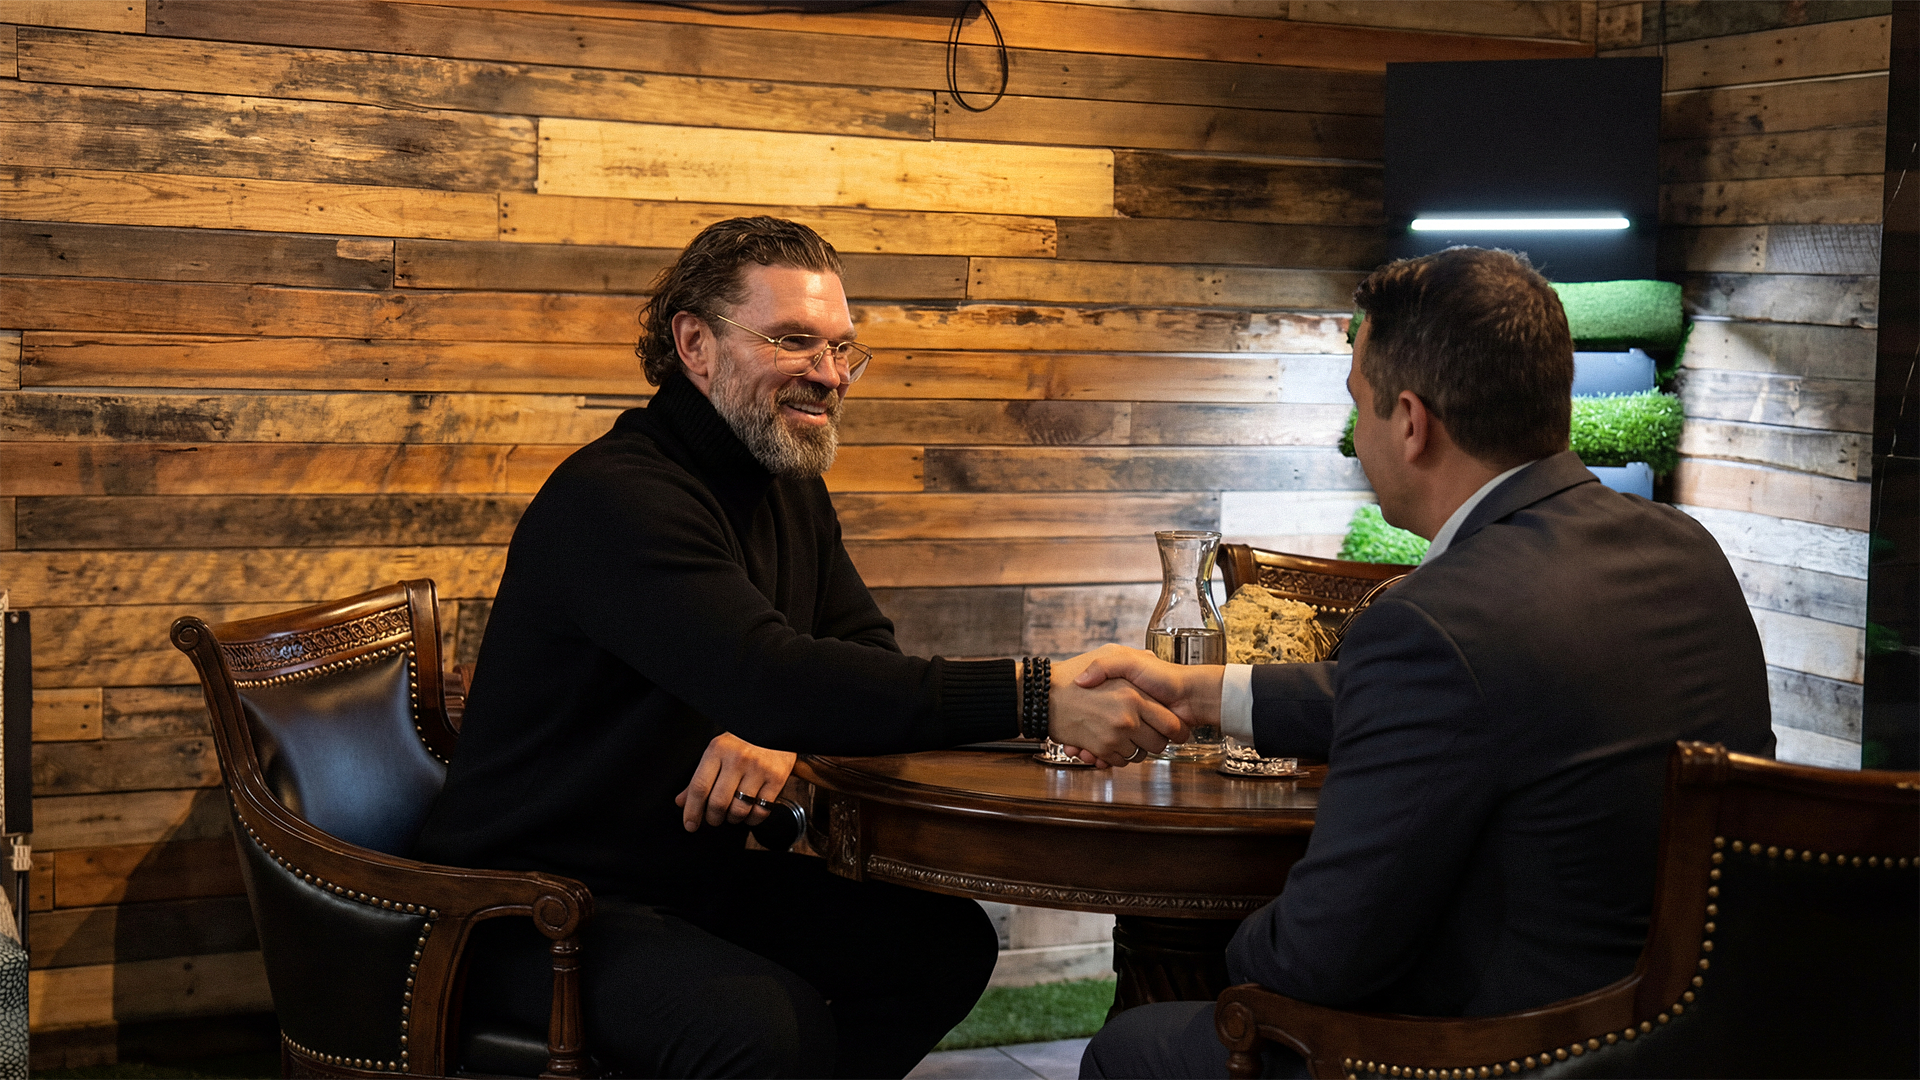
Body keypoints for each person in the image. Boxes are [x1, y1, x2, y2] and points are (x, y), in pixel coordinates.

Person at [413, 216, 1183, 1079]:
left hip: (675, 878)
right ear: (696, 344)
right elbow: (768, 671)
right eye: (793, 340)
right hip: (529, 909)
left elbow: (856, 648)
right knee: (767, 1030)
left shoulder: (783, 479)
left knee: (939, 942)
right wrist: (1038, 692)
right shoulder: (617, 499)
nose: (828, 374)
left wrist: (775, 732)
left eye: (843, 348)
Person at [1070, 247, 1775, 1078]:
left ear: (1410, 421)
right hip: (1688, 1045)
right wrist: (1200, 692)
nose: (1355, 436)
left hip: (1492, 1054)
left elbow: (1313, 961)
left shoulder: (1437, 619)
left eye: (1356, 405)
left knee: (1134, 1046)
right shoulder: (1688, 552)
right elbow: (1467, 699)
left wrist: (1224, 933)